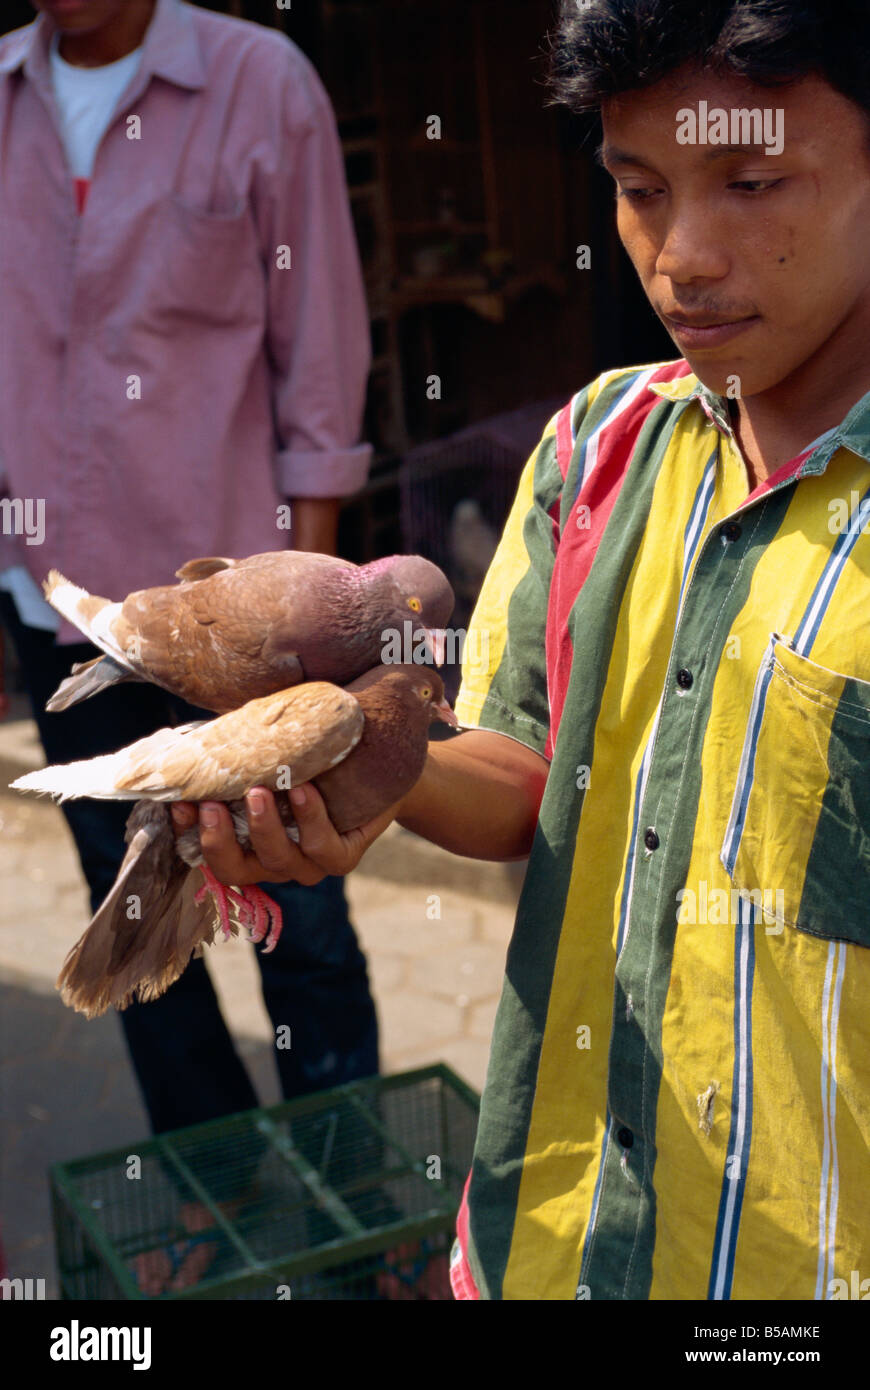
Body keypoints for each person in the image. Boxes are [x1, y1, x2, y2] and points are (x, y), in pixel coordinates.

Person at [180, 0, 870, 1299]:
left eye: (751, 181)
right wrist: (370, 769)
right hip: (545, 1238)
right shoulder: (596, 448)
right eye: (638, 189)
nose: (683, 256)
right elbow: (523, 770)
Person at [0, 0, 378, 1293]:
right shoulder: (0, 102)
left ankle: (354, 1209)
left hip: (233, 629)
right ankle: (221, 1194)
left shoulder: (259, 82)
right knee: (138, 917)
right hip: (58, 610)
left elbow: (319, 354)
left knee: (296, 912)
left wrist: (303, 619)